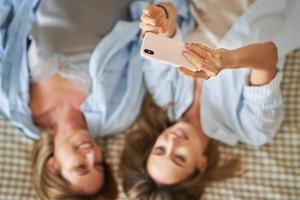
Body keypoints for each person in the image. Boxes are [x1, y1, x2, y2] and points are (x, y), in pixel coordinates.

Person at [0, 0, 194, 199]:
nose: (92, 154)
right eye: (99, 164)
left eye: (81, 167)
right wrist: (163, 27)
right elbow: (151, 56)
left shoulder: (12, 102)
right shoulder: (118, 114)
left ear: (53, 165)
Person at [120, 0, 300, 199]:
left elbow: (170, 20)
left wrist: (161, 15)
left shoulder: (163, 95)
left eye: (160, 149)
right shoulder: (252, 130)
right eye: (179, 158)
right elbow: (268, 56)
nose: (172, 141)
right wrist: (227, 60)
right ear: (201, 164)